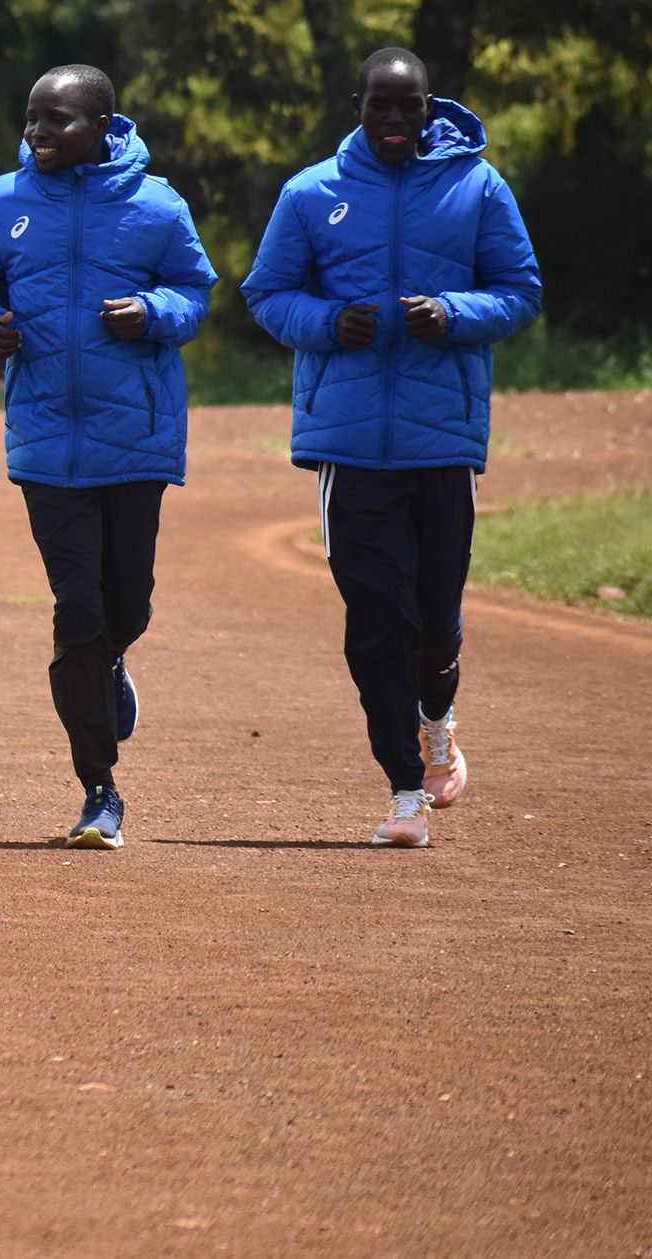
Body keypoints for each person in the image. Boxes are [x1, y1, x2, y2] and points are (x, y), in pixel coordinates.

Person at [242, 47, 542, 848]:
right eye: (381, 106)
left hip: (443, 439)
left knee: (435, 623)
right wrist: (327, 324)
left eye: (410, 107)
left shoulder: (477, 186)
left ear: (430, 106)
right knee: (379, 617)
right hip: (348, 443)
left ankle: (436, 718)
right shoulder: (312, 193)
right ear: (358, 105)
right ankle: (404, 790)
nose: (396, 121)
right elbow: (267, 293)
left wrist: (452, 312)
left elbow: (520, 291)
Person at [0, 65, 215, 851]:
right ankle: (100, 789)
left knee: (125, 605)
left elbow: (195, 291)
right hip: (44, 443)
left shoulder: (156, 204)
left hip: (134, 439)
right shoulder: (2, 201)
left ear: (103, 125)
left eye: (57, 121)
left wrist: (155, 311)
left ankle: (113, 660)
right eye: (32, 119)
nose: (38, 133)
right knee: (79, 609)